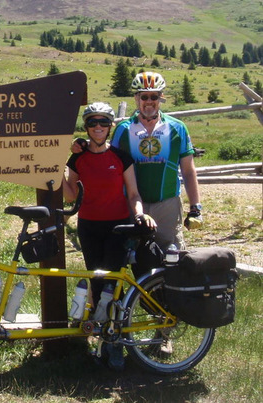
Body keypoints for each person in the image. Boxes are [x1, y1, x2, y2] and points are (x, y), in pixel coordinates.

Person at [63, 101, 156, 371]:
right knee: (97, 281)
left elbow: (134, 194)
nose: (98, 127)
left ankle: (117, 340)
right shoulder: (77, 158)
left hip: (118, 226)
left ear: (111, 125)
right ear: (87, 126)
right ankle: (107, 337)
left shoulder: (121, 157)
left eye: (104, 122)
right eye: (93, 122)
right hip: (89, 226)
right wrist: (55, 170)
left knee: (112, 285)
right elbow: (71, 195)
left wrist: (139, 214)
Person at [72, 72, 203, 259]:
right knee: (134, 257)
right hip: (132, 205)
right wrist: (82, 144)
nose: (149, 101)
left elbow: (189, 171)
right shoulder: (124, 129)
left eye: (154, 96)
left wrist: (195, 207)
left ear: (161, 98)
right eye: (144, 96)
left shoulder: (177, 128)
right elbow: (105, 153)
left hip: (167, 203)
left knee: (171, 256)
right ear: (136, 98)